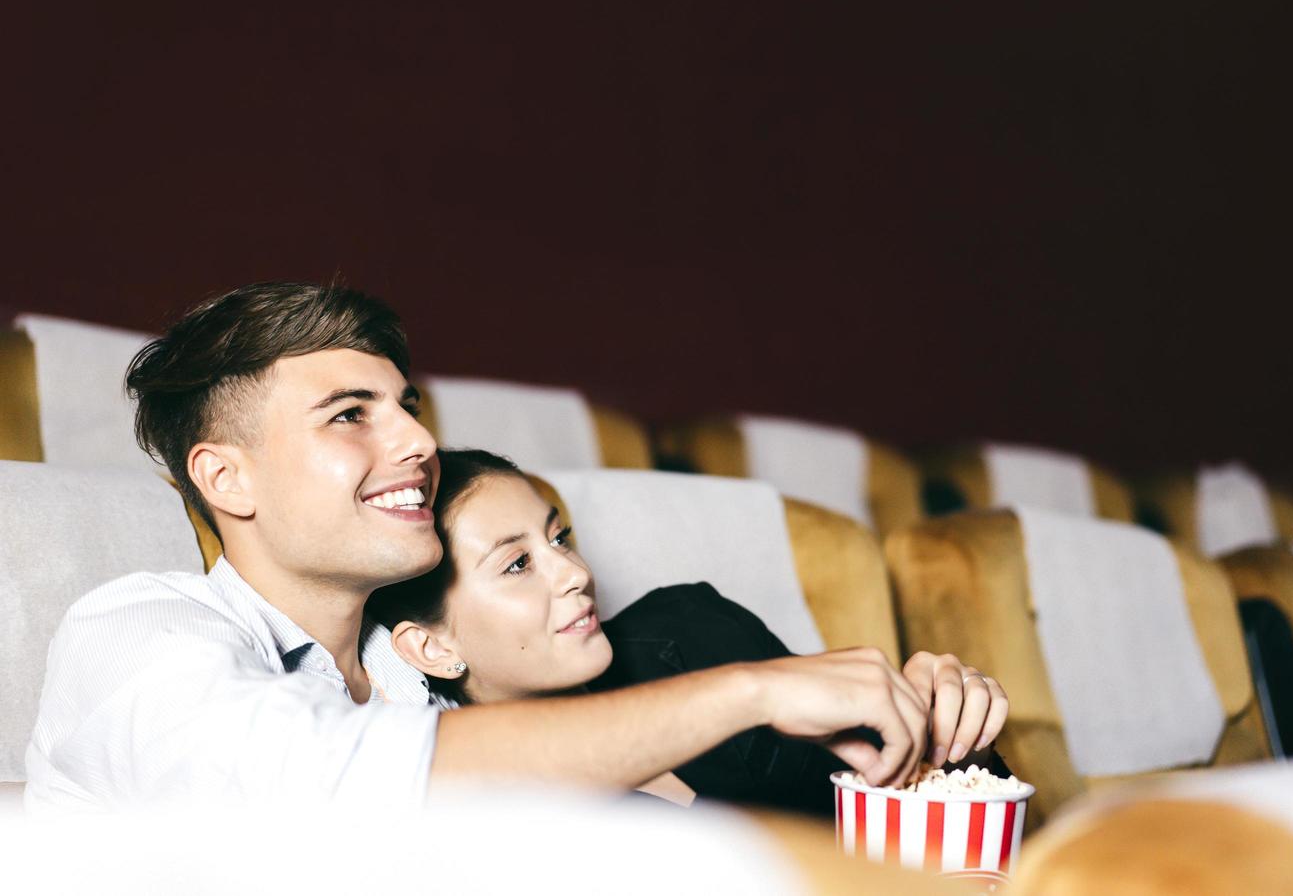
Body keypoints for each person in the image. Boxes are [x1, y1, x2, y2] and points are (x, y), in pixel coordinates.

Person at [25, 281, 1004, 810]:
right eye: (350, 414)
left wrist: (912, 738)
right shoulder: (135, 632)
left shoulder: (415, 672)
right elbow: (330, 785)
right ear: (224, 477)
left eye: (406, 407)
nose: (415, 440)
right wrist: (751, 690)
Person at [368, 448, 1010, 812]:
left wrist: (946, 735)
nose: (572, 572)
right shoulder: (469, 807)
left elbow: (888, 808)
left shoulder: (691, 631)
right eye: (516, 564)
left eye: (558, 535)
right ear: (432, 647)